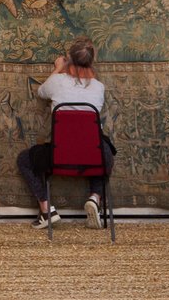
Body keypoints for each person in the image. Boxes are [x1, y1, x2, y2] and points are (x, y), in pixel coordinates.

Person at [16, 36, 112, 230]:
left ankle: (46, 210)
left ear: (69, 59)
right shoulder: (99, 87)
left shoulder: (58, 81)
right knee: (106, 154)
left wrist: (59, 68)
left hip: (59, 156)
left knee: (24, 159)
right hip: (92, 157)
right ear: (91, 62)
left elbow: (41, 92)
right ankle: (94, 198)